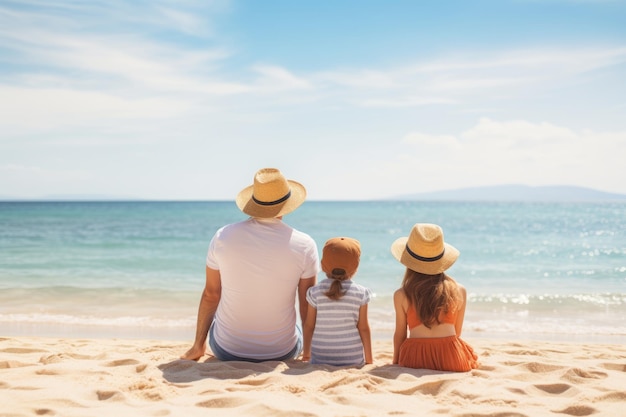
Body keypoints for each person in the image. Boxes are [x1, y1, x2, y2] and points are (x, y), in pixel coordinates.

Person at [181, 168, 320, 362]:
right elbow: (307, 303)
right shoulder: (305, 244)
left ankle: (199, 347)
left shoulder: (223, 236)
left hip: (226, 350)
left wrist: (198, 345)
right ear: (288, 204)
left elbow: (211, 294)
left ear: (254, 202)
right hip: (282, 352)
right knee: (294, 328)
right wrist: (308, 352)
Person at [390, 223, 478, 372]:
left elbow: (400, 334)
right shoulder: (459, 290)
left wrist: (396, 362)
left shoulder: (401, 295)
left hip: (415, 358)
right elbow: (457, 332)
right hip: (451, 358)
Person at [302, 237, 373, 366]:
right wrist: (369, 360)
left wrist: (306, 355)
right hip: (352, 359)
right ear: (355, 266)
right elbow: (363, 328)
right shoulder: (361, 293)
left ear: (323, 265)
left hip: (320, 360)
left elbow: (309, 326)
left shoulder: (314, 292)